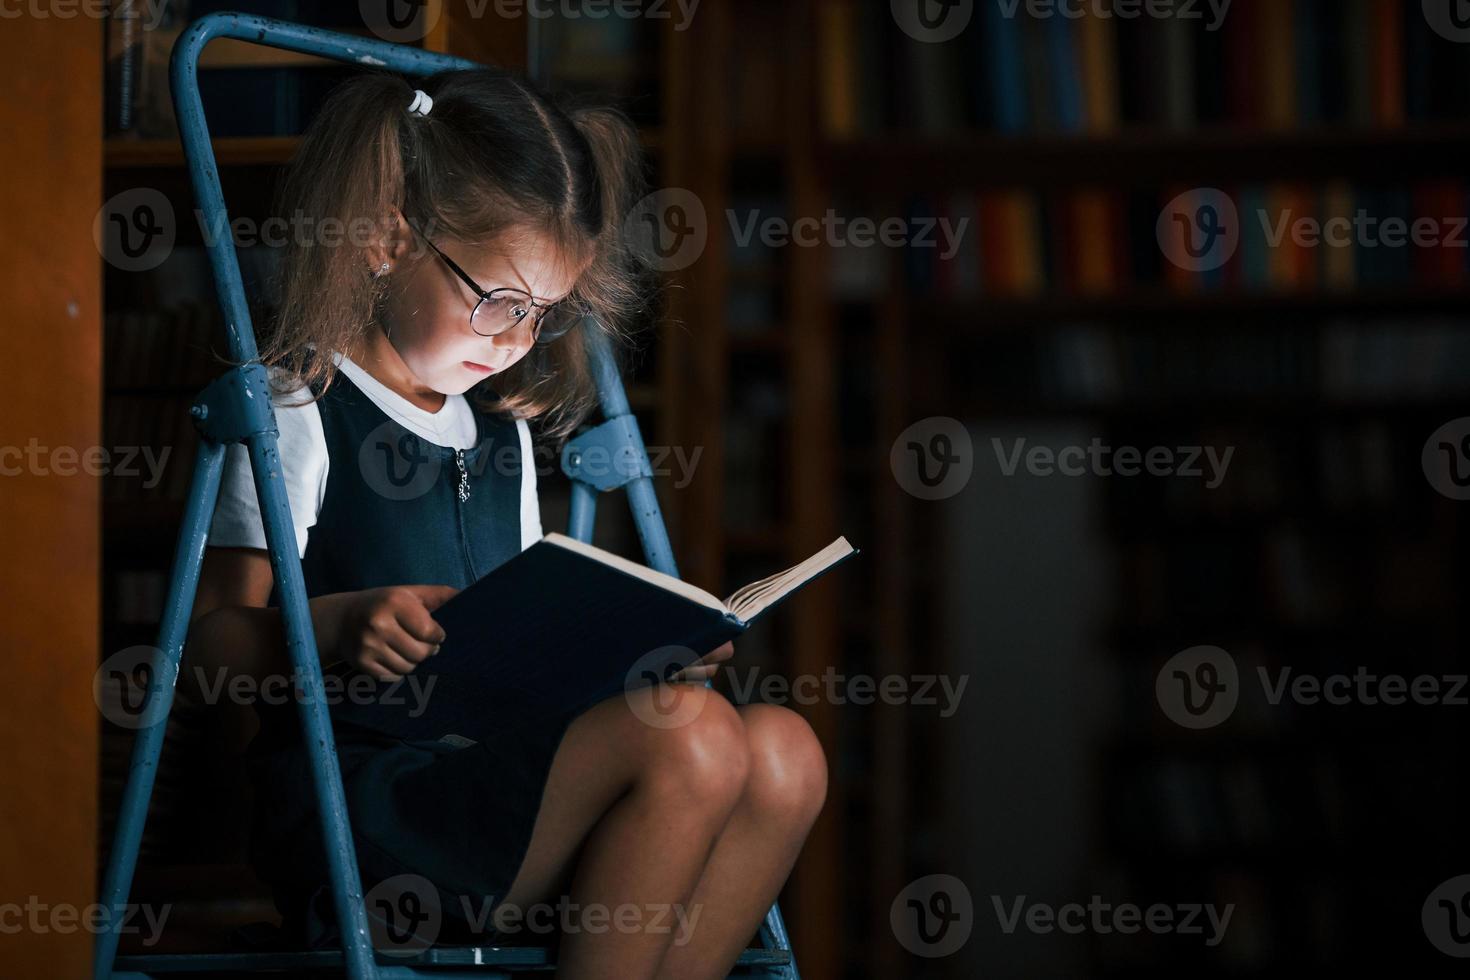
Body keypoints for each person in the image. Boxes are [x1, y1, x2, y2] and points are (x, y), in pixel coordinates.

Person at [185, 67, 827, 980]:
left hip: (497, 784)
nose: (517, 340)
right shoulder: (300, 406)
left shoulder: (503, 438)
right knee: (690, 732)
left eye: (543, 314)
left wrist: (635, 653)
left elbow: (525, 652)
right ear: (384, 240)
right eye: (497, 300)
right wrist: (332, 626)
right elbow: (206, 651)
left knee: (783, 753)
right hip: (367, 811)